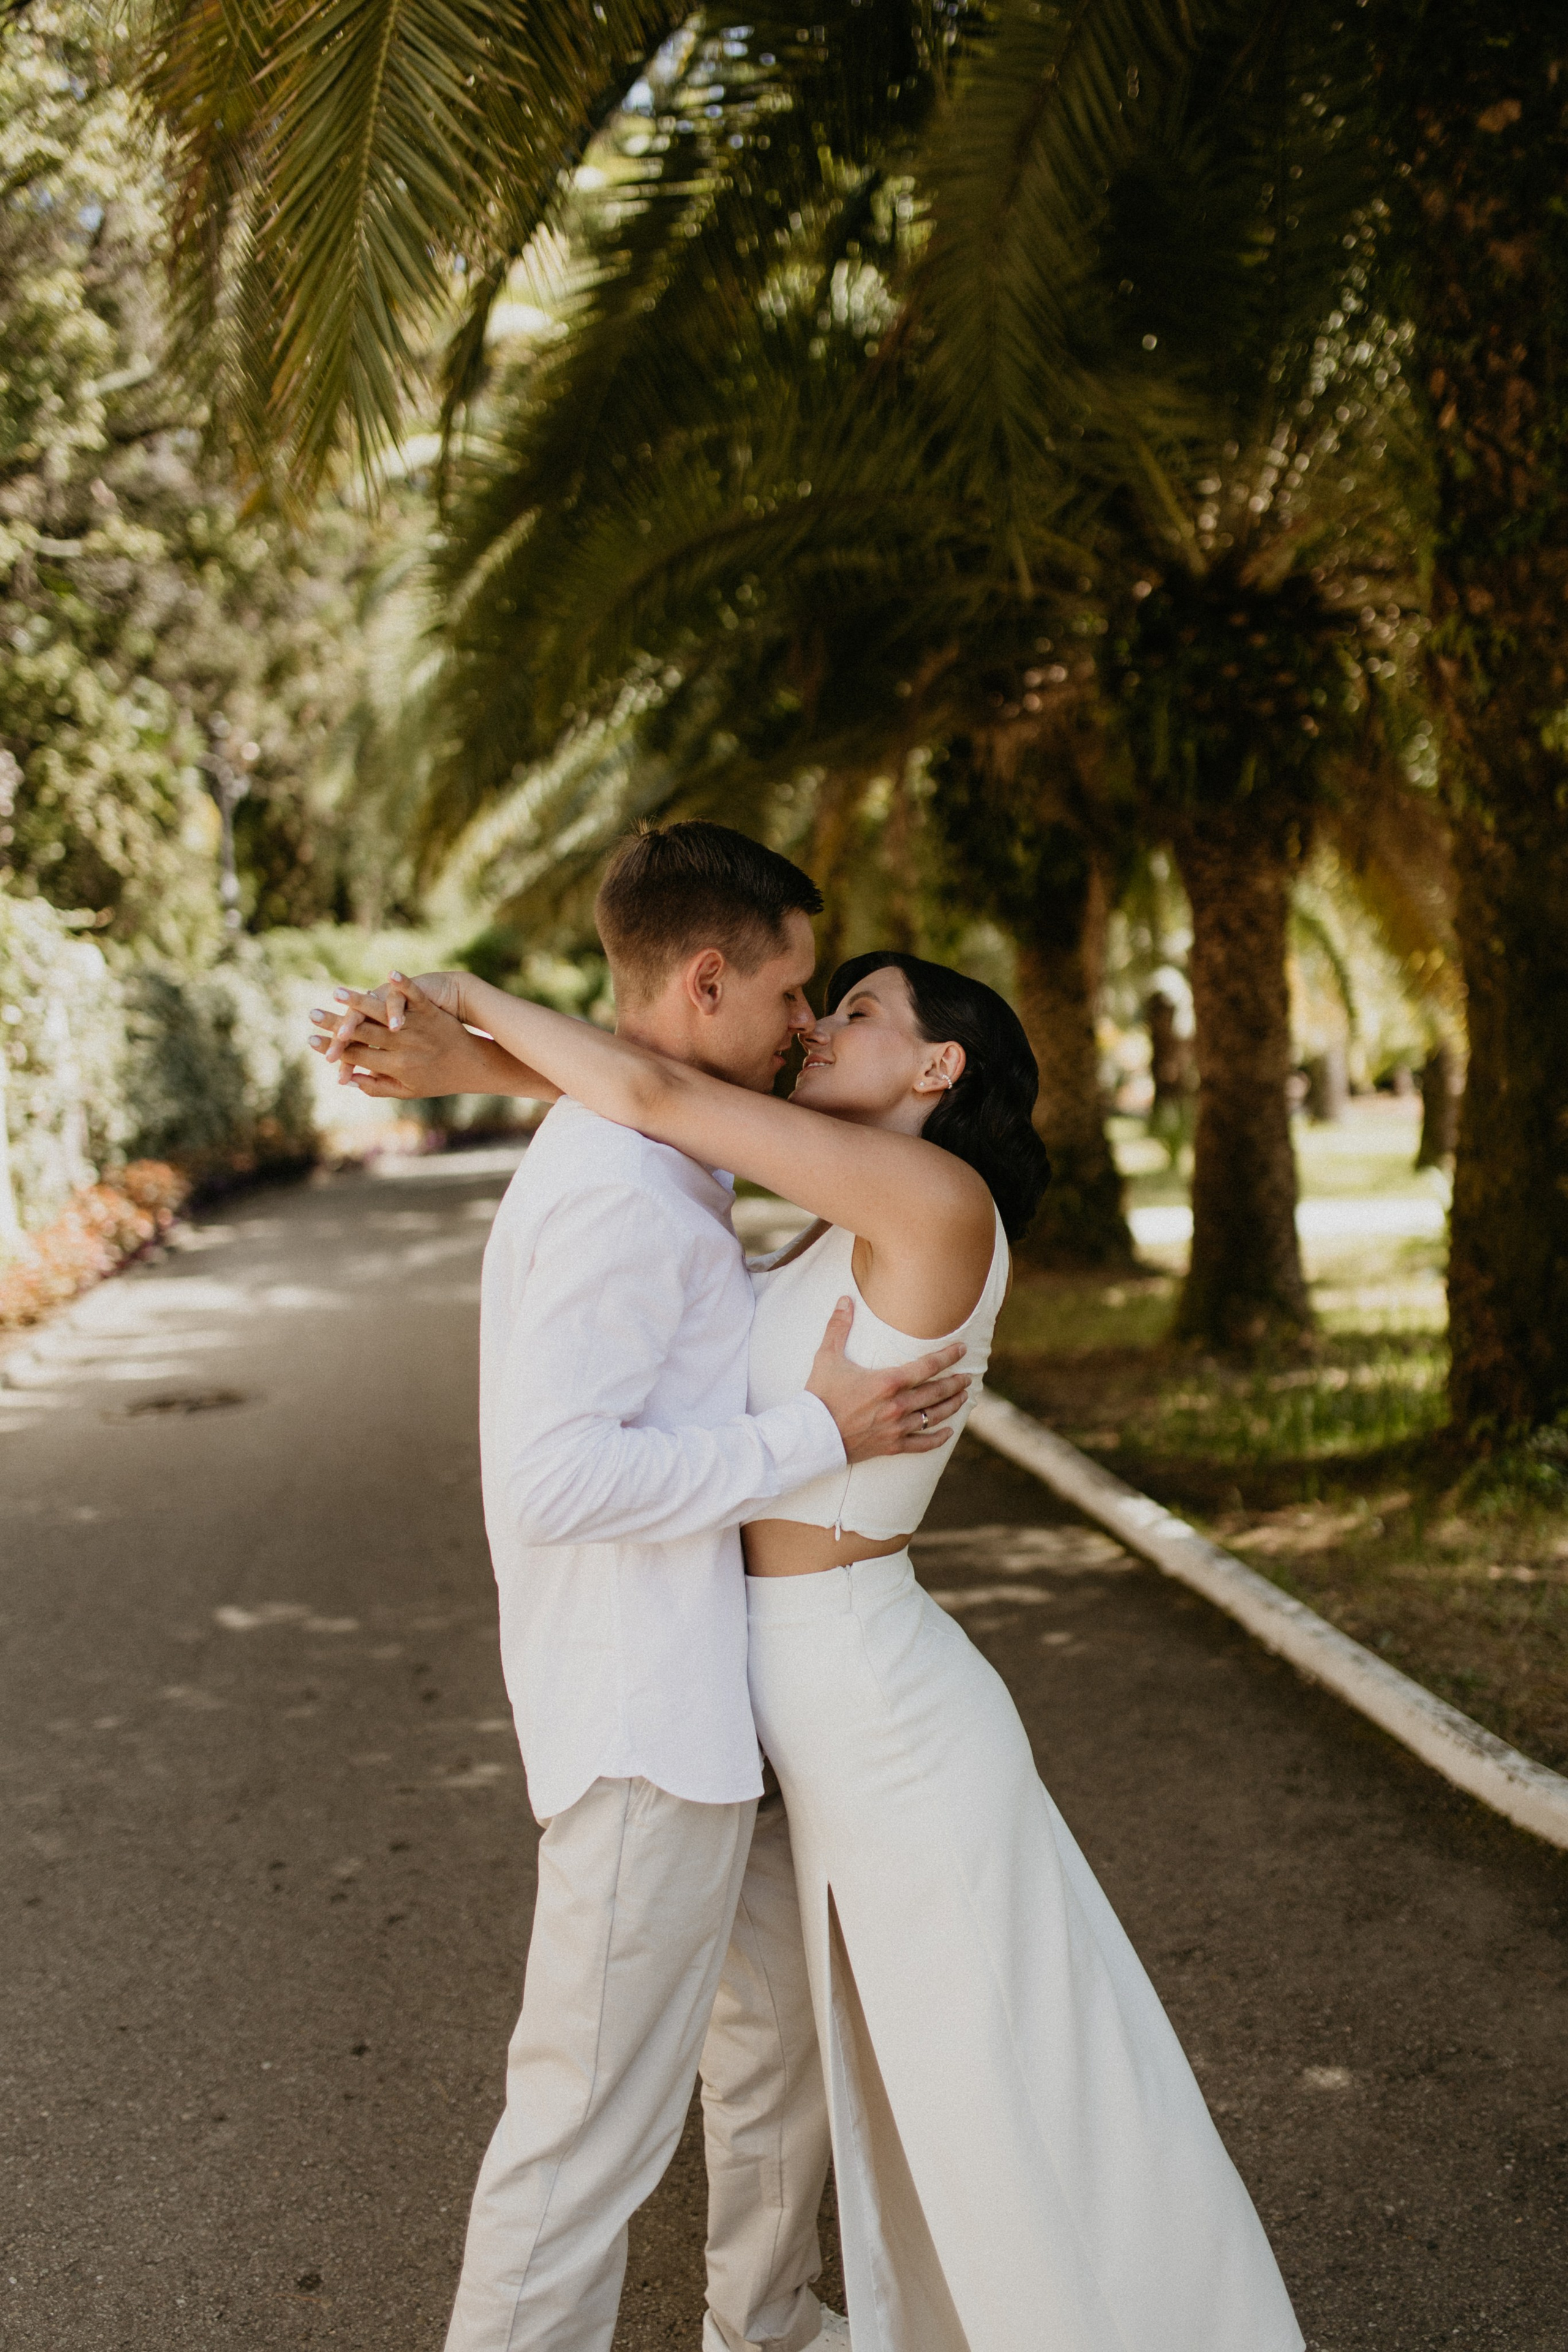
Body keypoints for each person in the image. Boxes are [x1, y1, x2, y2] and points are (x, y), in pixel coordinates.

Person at [322, 902, 1305, 2351]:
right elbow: (672, 1105)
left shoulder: (934, 1212)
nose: (815, 1027)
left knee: (997, 2078)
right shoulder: (849, 1215)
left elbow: (663, 1093)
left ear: (936, 1072)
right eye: (816, 1002)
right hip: (782, 1706)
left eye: (857, 1014)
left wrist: (467, 1000)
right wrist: (465, 1073)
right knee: (833, 2063)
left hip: (880, 1712)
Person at [315, 824, 971, 2352]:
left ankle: (768, 2322)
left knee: (770, 2053)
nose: (808, 1024)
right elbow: (561, 1478)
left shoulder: (658, 1154)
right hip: (642, 1731)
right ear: (702, 980)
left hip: (711, 1716)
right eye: (796, 991)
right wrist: (821, 1432)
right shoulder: (619, 1186)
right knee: (582, 2133)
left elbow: (670, 1353)